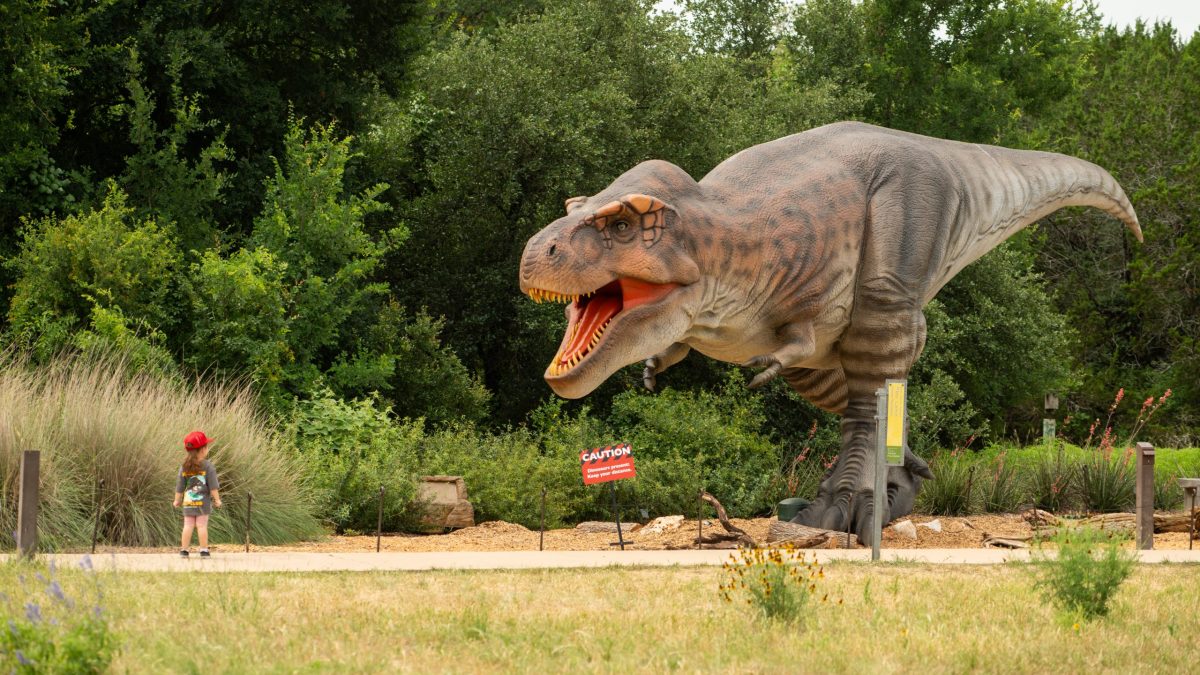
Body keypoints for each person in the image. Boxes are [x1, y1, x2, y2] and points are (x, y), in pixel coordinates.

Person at [173, 430, 222, 558]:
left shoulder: (184, 467)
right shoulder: (208, 466)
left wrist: (177, 500)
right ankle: (204, 550)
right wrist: (217, 500)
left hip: (188, 503)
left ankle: (184, 550)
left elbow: (180, 486)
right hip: (202, 504)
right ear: (202, 449)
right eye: (207, 446)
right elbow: (213, 487)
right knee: (201, 526)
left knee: (188, 525)